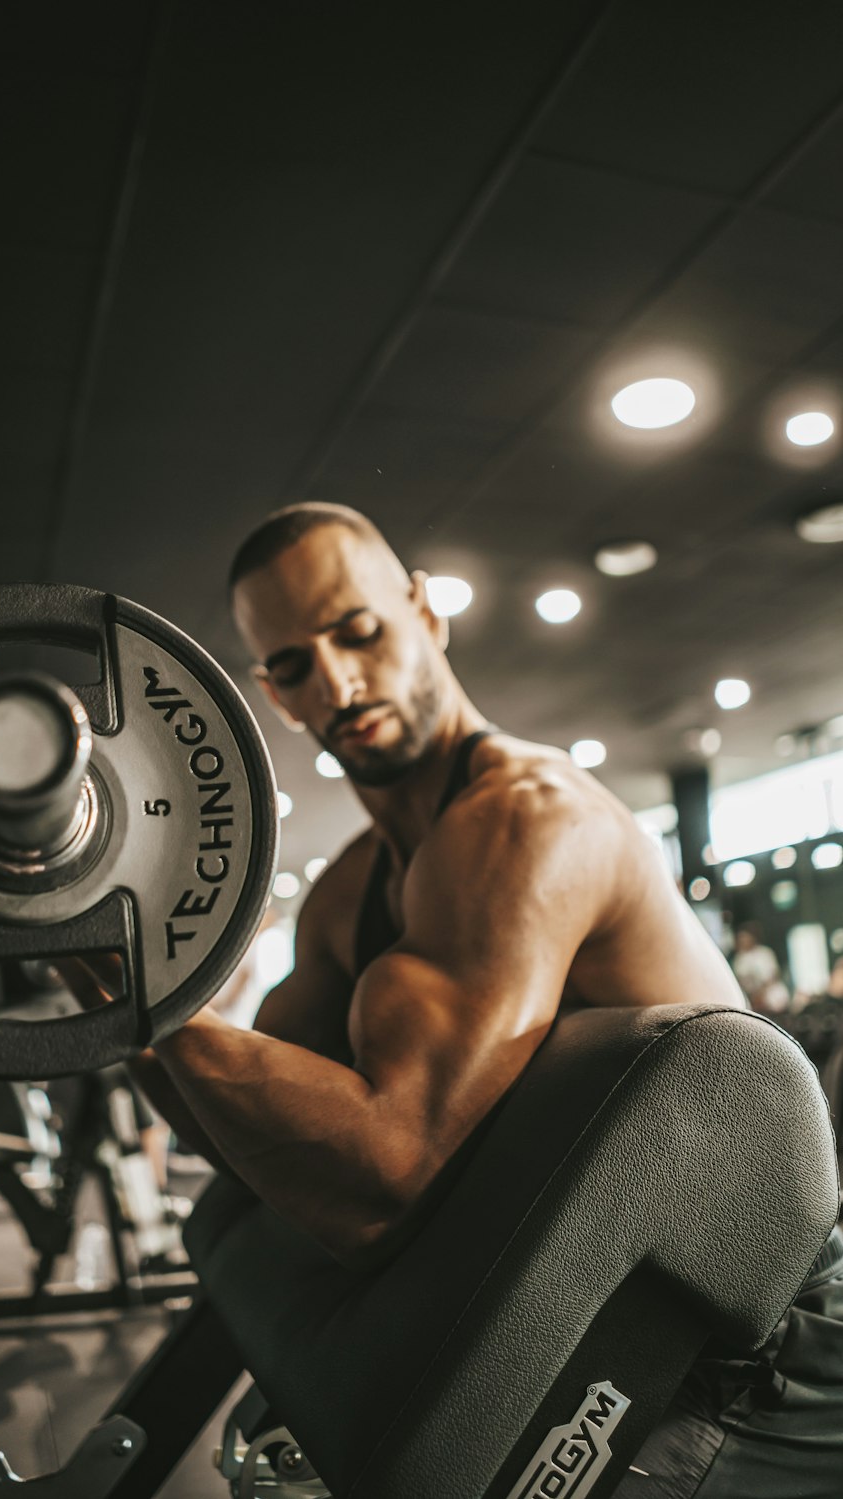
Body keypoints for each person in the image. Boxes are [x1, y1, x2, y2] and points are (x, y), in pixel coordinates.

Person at [64, 502, 843, 1497]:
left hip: (749, 1346)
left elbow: (384, 1171)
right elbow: (252, 1140)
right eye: (296, 663)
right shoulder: (349, 889)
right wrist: (94, 967)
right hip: (580, 1302)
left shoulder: (527, 818)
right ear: (273, 692)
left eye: (357, 629)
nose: (339, 680)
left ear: (424, 611)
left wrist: (142, 993)